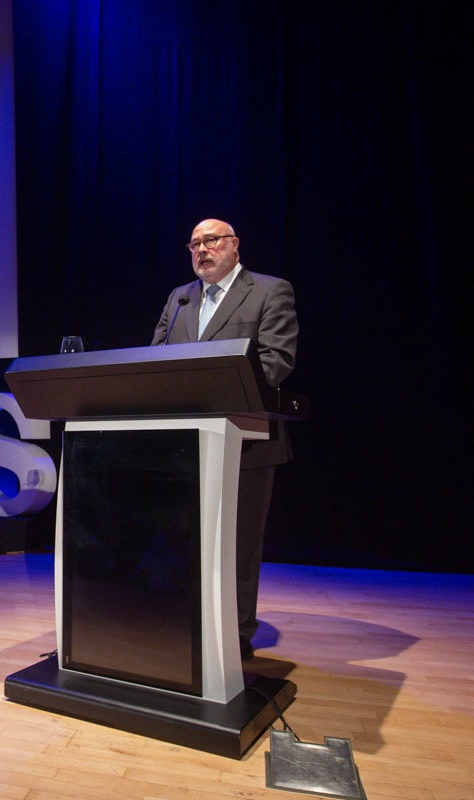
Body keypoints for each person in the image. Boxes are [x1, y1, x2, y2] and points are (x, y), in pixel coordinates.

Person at [151, 218, 298, 660]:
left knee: (237, 545)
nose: (201, 249)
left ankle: (234, 638)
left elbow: (276, 363)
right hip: (184, 444)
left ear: (234, 245)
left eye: (211, 240)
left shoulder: (270, 291)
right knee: (183, 541)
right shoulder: (179, 299)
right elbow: (155, 361)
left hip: (246, 441)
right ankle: (184, 626)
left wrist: (212, 392)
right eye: (194, 243)